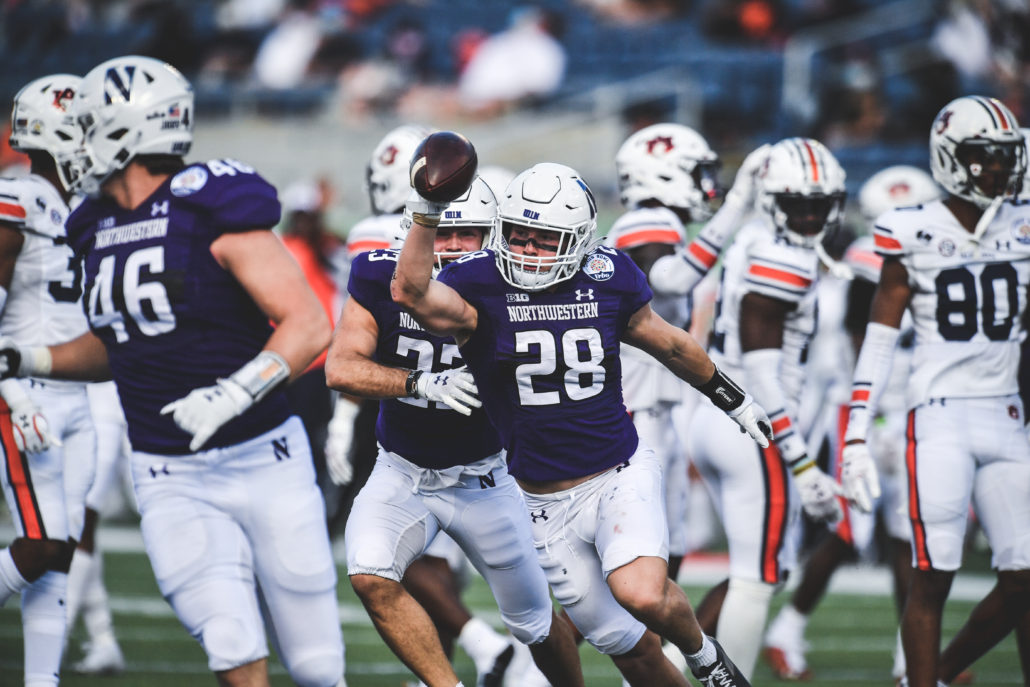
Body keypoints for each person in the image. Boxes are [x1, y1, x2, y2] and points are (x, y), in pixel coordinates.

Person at [0, 55, 345, 687]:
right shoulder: (91, 223)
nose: (74, 141)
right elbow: (118, 345)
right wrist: (29, 358)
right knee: (229, 642)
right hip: (169, 471)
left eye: (86, 124)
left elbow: (309, 324)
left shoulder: (209, 203)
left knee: (318, 668)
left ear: (126, 132)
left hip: (265, 456)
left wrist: (230, 394)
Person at [394, 158, 773, 687]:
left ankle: (706, 657)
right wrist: (427, 213)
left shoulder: (607, 274)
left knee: (640, 591)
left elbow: (669, 343)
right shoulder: (476, 282)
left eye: (543, 240)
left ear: (577, 240)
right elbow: (409, 291)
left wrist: (735, 400)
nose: (526, 250)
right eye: (518, 235)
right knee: (625, 645)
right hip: (541, 501)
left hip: (617, 471)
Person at [326, 175, 584, 687]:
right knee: (369, 574)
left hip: (487, 478)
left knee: (534, 623)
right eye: (441, 232)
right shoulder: (379, 276)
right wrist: (420, 382)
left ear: (491, 236)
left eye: (466, 233)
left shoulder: (515, 288)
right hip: (402, 470)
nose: (451, 246)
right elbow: (341, 368)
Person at [840, 95, 1030, 687]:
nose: (998, 170)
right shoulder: (910, 229)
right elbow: (877, 339)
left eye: (1005, 158)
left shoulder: (1022, 224)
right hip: (938, 417)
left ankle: (941, 673)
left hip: (1007, 414)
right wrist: (854, 437)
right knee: (932, 573)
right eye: (984, 158)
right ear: (951, 158)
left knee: (1024, 577)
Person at [761, 165, 942, 682]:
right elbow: (867, 339)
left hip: (906, 409)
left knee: (905, 536)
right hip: (864, 410)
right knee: (848, 528)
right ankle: (787, 628)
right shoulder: (867, 262)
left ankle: (913, 658)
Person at [687, 137, 850, 680]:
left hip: (716, 420)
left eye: (817, 204)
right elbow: (762, 369)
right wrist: (802, 463)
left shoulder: (751, 239)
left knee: (755, 570)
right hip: (753, 426)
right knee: (758, 577)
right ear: (771, 199)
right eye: (796, 203)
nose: (807, 216)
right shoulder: (783, 255)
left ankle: (666, 666)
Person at [0, 72, 94, 687]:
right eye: (85, 128)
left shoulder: (84, 206)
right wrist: (9, 391)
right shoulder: (17, 195)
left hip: (77, 395)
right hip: (24, 389)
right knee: (42, 544)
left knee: (60, 555)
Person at [607, 122, 723, 585]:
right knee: (632, 549)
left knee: (668, 541)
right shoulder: (646, 221)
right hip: (636, 405)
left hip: (655, 403)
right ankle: (538, 659)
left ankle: (657, 654)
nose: (706, 184)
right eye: (696, 172)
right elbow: (670, 280)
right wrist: (732, 214)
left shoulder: (663, 223)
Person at [66, 381, 129, 675]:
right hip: (83, 406)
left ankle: (58, 632)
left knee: (79, 521)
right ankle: (102, 641)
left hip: (107, 409)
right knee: (78, 524)